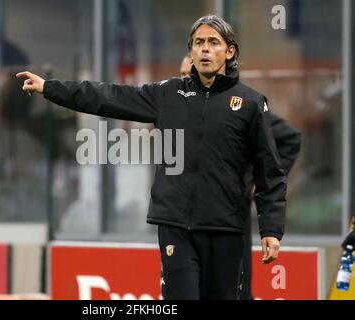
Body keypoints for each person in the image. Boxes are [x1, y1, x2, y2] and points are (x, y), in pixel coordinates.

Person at [17, 15, 287, 300]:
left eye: (213, 42)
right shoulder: (168, 94)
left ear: (229, 51)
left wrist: (271, 229)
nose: (205, 49)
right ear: (191, 52)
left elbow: (269, 171)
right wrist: (50, 88)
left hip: (226, 229)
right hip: (175, 227)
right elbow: (108, 97)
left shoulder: (250, 103)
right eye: (198, 43)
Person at [178, 55, 301, 300]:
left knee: (234, 287)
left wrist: (252, 183)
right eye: (181, 75)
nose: (184, 80)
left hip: (230, 212)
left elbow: (289, 138)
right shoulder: (180, 110)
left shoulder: (239, 107)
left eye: (187, 74)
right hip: (189, 219)